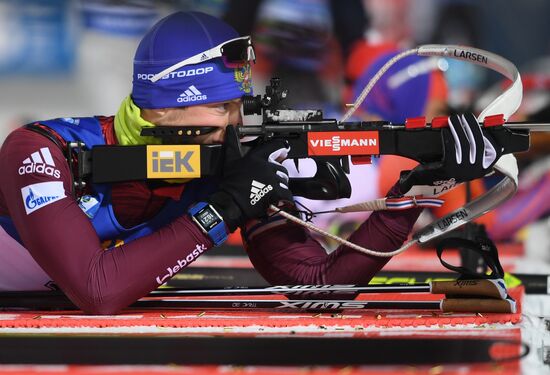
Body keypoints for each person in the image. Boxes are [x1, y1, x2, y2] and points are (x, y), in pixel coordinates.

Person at [0, 11, 502, 314]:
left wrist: (414, 193)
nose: (235, 124)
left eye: (239, 107)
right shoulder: (40, 151)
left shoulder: (224, 162)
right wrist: (223, 210)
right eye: (221, 107)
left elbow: (321, 287)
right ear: (166, 106)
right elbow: (98, 290)